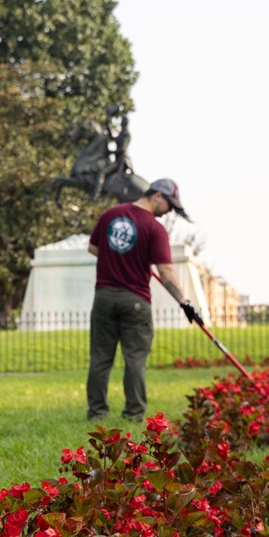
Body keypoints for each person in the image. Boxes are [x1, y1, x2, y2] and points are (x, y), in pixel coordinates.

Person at [87, 177, 203, 423]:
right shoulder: (154, 228)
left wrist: (118, 257)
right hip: (135, 299)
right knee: (135, 358)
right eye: (169, 205)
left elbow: (94, 248)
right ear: (157, 196)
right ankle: (134, 413)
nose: (168, 211)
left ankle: (97, 413)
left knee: (100, 357)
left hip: (104, 296)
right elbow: (166, 272)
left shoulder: (111, 214)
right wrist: (184, 302)